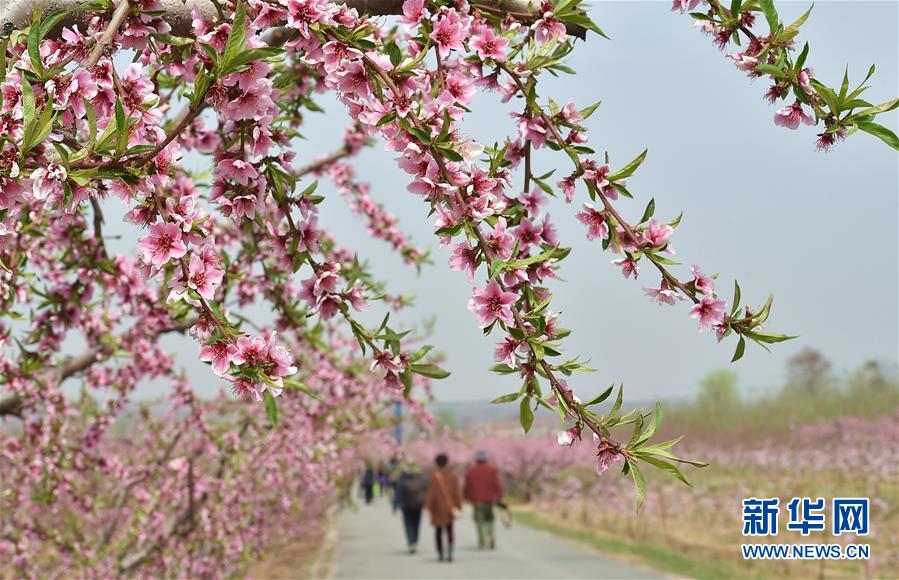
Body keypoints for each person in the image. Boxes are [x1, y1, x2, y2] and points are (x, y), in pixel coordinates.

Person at [425, 453, 461, 562]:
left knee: (438, 530)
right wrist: (458, 506)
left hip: (437, 508)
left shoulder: (433, 476)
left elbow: (430, 494)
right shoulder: (453, 476)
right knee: (450, 529)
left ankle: (440, 553)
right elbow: (457, 493)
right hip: (450, 507)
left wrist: (428, 508)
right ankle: (450, 551)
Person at [463, 450, 503, 549]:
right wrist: (500, 496)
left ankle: (482, 541)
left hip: (476, 500)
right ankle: (491, 536)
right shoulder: (491, 469)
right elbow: (497, 484)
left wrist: (466, 496)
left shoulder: (471, 470)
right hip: (489, 499)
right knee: (490, 519)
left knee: (479, 520)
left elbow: (467, 486)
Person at [393, 464, 428, 554]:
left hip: (406, 505)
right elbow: (426, 492)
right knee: (416, 524)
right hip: (418, 505)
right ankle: (415, 542)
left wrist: (395, 506)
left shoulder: (403, 479)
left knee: (408, 524)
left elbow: (398, 493)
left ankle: (411, 542)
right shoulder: (422, 478)